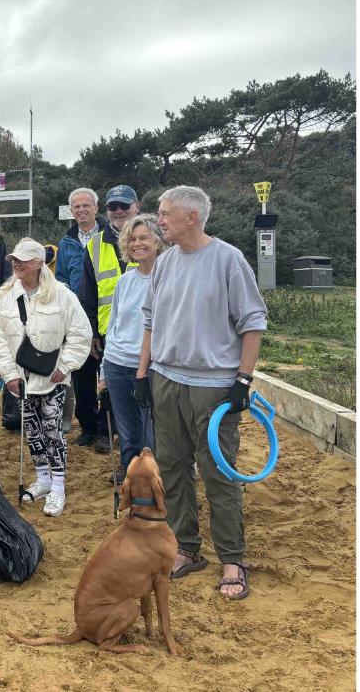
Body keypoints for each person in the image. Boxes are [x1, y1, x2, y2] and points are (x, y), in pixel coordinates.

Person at [134, 185, 268, 600]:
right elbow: (151, 321)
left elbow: (253, 321)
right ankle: (188, 548)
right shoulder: (165, 263)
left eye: (165, 212)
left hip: (212, 387)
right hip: (167, 380)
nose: (159, 220)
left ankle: (232, 558)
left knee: (219, 472)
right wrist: (143, 374)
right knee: (172, 468)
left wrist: (243, 380)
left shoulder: (228, 259)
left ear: (192, 216)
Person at [0, 239, 91, 517]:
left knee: (52, 430)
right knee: (32, 430)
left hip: (53, 378)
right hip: (20, 379)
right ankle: (42, 478)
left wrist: (65, 367)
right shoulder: (5, 295)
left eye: (23, 259)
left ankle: (58, 485)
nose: (17, 264)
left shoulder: (62, 294)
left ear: (39, 263)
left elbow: (81, 334)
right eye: (14, 259)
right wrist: (9, 374)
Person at [101, 214, 168, 485]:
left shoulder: (167, 277)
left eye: (144, 238)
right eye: (132, 239)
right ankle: (130, 473)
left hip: (150, 365)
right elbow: (115, 323)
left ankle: (153, 476)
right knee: (127, 428)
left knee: (150, 428)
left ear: (158, 240)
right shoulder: (125, 280)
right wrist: (104, 369)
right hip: (117, 362)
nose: (137, 244)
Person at [76, 184, 141, 453]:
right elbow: (88, 293)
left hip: (142, 332)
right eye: (113, 207)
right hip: (107, 330)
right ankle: (105, 432)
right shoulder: (95, 244)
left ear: (136, 207)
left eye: (124, 206)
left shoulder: (150, 240)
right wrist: (91, 332)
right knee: (107, 387)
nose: (118, 211)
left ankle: (124, 437)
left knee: (136, 391)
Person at [55, 187, 111, 447]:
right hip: (77, 316)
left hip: (107, 313)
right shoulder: (66, 243)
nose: (81, 210)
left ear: (96, 208)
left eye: (86, 205)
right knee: (82, 372)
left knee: (109, 371)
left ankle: (106, 430)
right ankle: (88, 427)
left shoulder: (109, 236)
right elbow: (62, 277)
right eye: (76, 206)